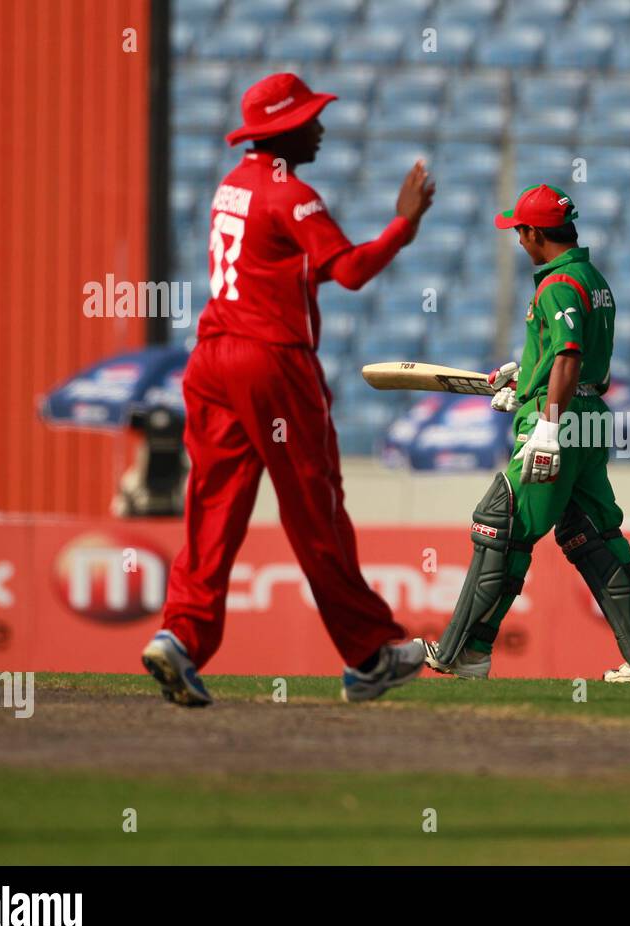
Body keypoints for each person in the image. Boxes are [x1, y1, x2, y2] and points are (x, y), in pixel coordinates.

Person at [142, 73, 435, 706]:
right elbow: (350, 271)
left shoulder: (233, 187)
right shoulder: (292, 195)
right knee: (314, 508)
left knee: (212, 509)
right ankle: (368, 654)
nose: (321, 128)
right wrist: (402, 226)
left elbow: (275, 268)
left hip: (211, 360)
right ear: (284, 131)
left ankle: (181, 638)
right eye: (310, 119)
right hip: (271, 363)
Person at [418, 184, 630, 683]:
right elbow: (588, 371)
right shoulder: (594, 280)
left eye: (519, 231)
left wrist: (544, 426)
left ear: (535, 232)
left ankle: (461, 653)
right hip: (589, 418)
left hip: (557, 424)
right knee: (594, 537)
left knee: (500, 526)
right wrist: (526, 377)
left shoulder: (556, 285)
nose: (517, 240)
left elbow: (568, 356)